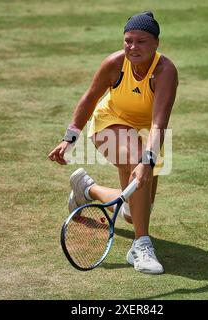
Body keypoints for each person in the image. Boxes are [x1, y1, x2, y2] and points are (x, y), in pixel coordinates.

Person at [48, 11, 178, 274]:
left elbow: (158, 123)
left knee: (134, 211)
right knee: (135, 160)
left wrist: (149, 159)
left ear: (156, 43)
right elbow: (90, 97)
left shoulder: (165, 72)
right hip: (110, 121)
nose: (133, 47)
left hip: (147, 134)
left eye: (141, 41)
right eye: (128, 40)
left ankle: (86, 190)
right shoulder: (115, 64)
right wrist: (69, 139)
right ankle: (141, 247)